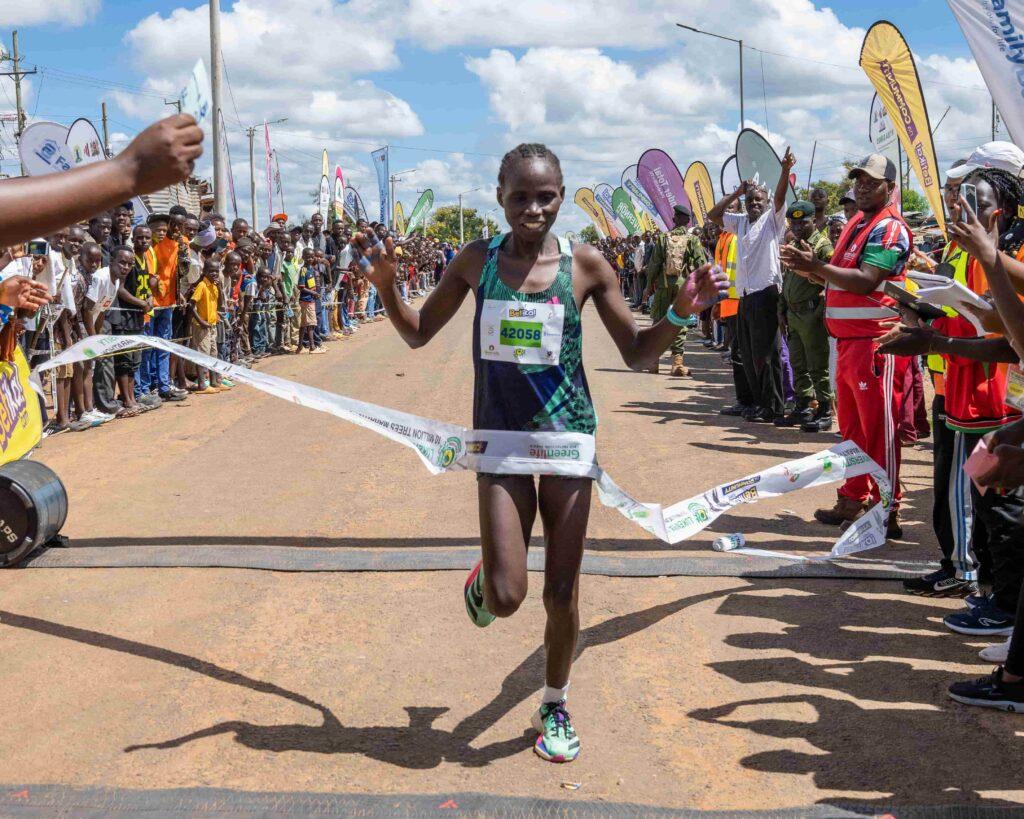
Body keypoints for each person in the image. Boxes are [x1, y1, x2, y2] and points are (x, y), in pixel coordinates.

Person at [350, 143, 727, 763]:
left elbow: (637, 352)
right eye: (520, 196)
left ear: (560, 196)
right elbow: (419, 334)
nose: (533, 208)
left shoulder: (586, 265)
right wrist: (390, 290)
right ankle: (487, 580)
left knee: (562, 592)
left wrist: (681, 312)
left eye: (545, 196)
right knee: (506, 597)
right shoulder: (477, 261)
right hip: (499, 441)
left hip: (567, 443)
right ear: (500, 197)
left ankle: (554, 702)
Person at [781, 154, 912, 540]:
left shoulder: (888, 228)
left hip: (876, 344)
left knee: (879, 433)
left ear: (891, 187)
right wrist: (807, 268)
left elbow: (866, 280)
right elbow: (839, 280)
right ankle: (853, 497)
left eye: (872, 182)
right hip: (850, 344)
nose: (863, 187)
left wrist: (817, 268)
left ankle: (886, 509)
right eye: (858, 181)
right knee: (852, 432)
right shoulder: (858, 223)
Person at [708, 147, 794, 423]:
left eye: (759, 200)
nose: (754, 204)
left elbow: (780, 198)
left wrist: (784, 171)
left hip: (766, 293)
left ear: (767, 203)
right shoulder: (740, 222)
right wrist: (736, 193)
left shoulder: (772, 221)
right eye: (750, 200)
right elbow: (713, 215)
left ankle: (773, 406)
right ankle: (758, 404)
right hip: (745, 295)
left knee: (768, 355)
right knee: (747, 354)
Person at [777, 199, 834, 431]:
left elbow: (831, 283)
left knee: (817, 365)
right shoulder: (796, 245)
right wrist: (781, 310)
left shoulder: (821, 247)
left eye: (803, 222)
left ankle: (825, 410)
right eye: (794, 222)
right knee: (798, 363)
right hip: (793, 313)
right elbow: (787, 279)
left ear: (813, 220)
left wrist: (819, 312)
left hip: (812, 313)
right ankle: (804, 406)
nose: (798, 226)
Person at [643, 206, 706, 376]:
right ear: (687, 221)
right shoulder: (692, 240)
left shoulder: (663, 238)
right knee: (679, 322)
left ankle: (653, 362)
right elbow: (701, 264)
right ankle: (677, 363)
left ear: (674, 219)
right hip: (683, 287)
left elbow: (654, 265)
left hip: (663, 286)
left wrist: (648, 288)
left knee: (658, 320)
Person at [188, 258, 226, 393]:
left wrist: (220, 287)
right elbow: (191, 305)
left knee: (213, 353)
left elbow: (220, 304)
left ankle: (215, 381)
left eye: (217, 271)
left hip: (212, 325)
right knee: (202, 354)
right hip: (201, 326)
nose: (214, 274)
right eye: (211, 271)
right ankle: (202, 384)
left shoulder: (214, 286)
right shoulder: (202, 286)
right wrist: (201, 321)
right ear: (204, 272)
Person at [297, 248, 323, 354]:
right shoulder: (304, 270)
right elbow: (301, 287)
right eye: (308, 257)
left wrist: (315, 293)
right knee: (311, 324)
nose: (310, 259)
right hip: (306, 300)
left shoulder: (311, 269)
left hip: (311, 299)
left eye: (312, 257)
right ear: (303, 257)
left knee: (304, 324)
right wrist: (314, 293)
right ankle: (312, 347)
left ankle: (300, 347)